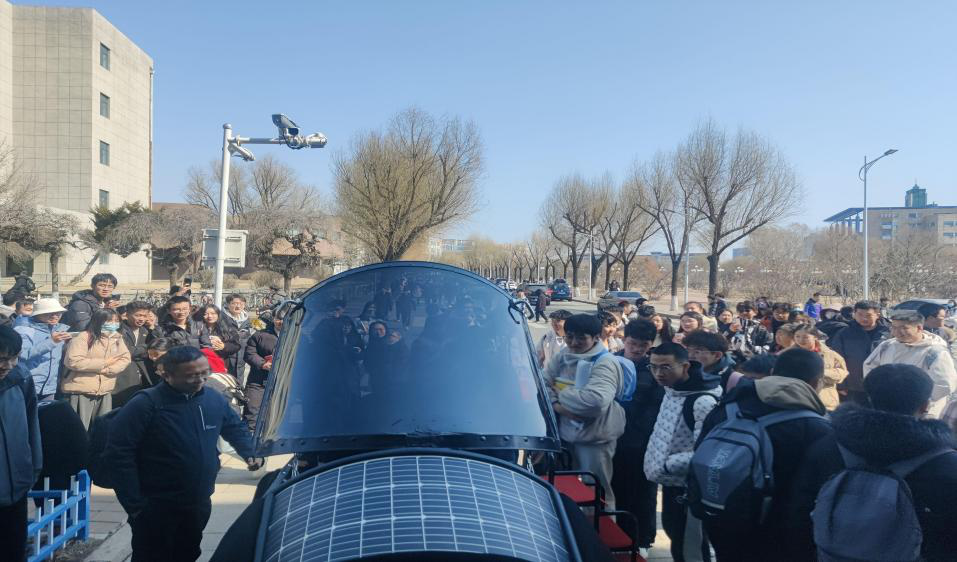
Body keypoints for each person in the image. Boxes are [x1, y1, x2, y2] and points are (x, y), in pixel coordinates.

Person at [104, 346, 260, 562]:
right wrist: (135, 505)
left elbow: (234, 426)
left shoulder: (213, 398)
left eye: (204, 372)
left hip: (197, 500)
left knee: (188, 552)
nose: (201, 379)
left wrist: (249, 451)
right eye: (191, 375)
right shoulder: (146, 404)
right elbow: (118, 453)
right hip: (155, 505)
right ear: (167, 375)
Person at [787, 364, 957, 562]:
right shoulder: (947, 464)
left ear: (869, 398)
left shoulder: (829, 445)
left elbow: (799, 513)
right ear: (925, 405)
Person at [697, 348, 832, 561]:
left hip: (725, 518)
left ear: (772, 372)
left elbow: (702, 450)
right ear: (817, 382)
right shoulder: (818, 428)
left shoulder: (729, 406)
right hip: (782, 535)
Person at [644, 342, 721, 562]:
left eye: (666, 367)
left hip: (690, 487)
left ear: (685, 366)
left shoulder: (702, 401)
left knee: (690, 545)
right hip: (672, 482)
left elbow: (708, 452)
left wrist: (668, 464)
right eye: (653, 367)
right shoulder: (672, 391)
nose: (658, 373)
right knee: (675, 534)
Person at [544, 313, 625, 511]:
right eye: (570, 336)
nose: (574, 342)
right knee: (567, 489)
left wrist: (561, 393)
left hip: (596, 439)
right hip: (566, 435)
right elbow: (542, 383)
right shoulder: (563, 356)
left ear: (596, 337)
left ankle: (601, 528)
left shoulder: (605, 362)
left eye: (581, 338)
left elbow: (595, 402)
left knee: (597, 492)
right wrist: (558, 406)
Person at [612, 319, 664, 553]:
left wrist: (639, 435)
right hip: (611, 438)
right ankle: (615, 536)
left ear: (650, 344)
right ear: (624, 339)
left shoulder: (655, 369)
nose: (637, 349)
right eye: (632, 343)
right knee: (614, 489)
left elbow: (656, 406)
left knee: (643, 492)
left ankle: (642, 540)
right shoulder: (610, 362)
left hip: (642, 442)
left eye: (643, 345)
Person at [863, 310, 957, 418]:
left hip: (920, 411)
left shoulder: (934, 352)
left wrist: (915, 400)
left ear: (919, 328)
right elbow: (870, 367)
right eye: (894, 327)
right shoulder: (887, 346)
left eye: (904, 328)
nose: (897, 332)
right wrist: (878, 392)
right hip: (887, 406)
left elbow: (944, 384)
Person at [0, 325, 42, 562]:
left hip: (16, 486)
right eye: (1, 359)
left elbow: (32, 425)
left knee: (14, 551)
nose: (7, 365)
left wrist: (33, 467)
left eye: (13, 358)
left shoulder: (20, 378)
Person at [62, 308, 130, 429]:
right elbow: (73, 361)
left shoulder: (117, 338)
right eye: (109, 321)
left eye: (116, 321)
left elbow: (125, 358)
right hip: (81, 390)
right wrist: (103, 363)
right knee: (80, 428)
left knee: (102, 428)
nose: (113, 324)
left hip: (105, 390)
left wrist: (109, 370)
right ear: (98, 321)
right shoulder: (83, 337)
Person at [828, 300, 890, 405]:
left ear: (877, 315)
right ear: (854, 314)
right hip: (853, 386)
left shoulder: (887, 333)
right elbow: (836, 359)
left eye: (868, 315)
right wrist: (840, 384)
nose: (864, 318)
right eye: (860, 314)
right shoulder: (844, 334)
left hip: (881, 385)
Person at [14, 298, 71, 400]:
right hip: (27, 384)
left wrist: (68, 344)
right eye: (49, 313)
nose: (55, 316)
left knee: (47, 410)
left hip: (50, 386)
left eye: (58, 313)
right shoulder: (24, 329)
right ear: (37, 314)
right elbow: (21, 355)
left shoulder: (59, 329)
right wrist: (51, 342)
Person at [243, 307, 283, 432]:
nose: (281, 322)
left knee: (277, 413)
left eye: (285, 319)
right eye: (278, 318)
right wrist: (262, 364)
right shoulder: (260, 335)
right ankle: (250, 438)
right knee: (252, 411)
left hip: (284, 381)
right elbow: (249, 353)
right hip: (258, 381)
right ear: (273, 318)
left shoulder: (298, 336)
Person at [793, 325, 848, 411]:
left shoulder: (830, 354)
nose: (800, 340)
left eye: (805, 337)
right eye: (797, 336)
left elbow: (842, 373)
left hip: (826, 401)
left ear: (815, 337)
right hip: (798, 401)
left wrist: (822, 373)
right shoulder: (789, 355)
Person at [115, 301, 156, 407]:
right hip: (124, 378)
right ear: (127, 314)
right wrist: (147, 347)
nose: (141, 319)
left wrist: (153, 328)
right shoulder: (118, 330)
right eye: (138, 315)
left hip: (144, 376)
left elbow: (158, 347)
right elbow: (127, 352)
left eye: (145, 316)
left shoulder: (146, 330)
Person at [193, 304, 240, 373]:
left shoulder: (227, 327)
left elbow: (236, 345)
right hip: (201, 363)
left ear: (218, 314)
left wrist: (224, 346)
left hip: (221, 363)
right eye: (206, 314)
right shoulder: (195, 328)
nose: (210, 316)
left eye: (213, 313)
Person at [222, 294, 253, 381]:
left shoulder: (247, 320)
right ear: (228, 304)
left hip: (241, 360)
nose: (238, 306)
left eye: (241, 303)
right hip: (225, 359)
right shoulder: (221, 319)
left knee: (238, 384)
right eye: (234, 303)